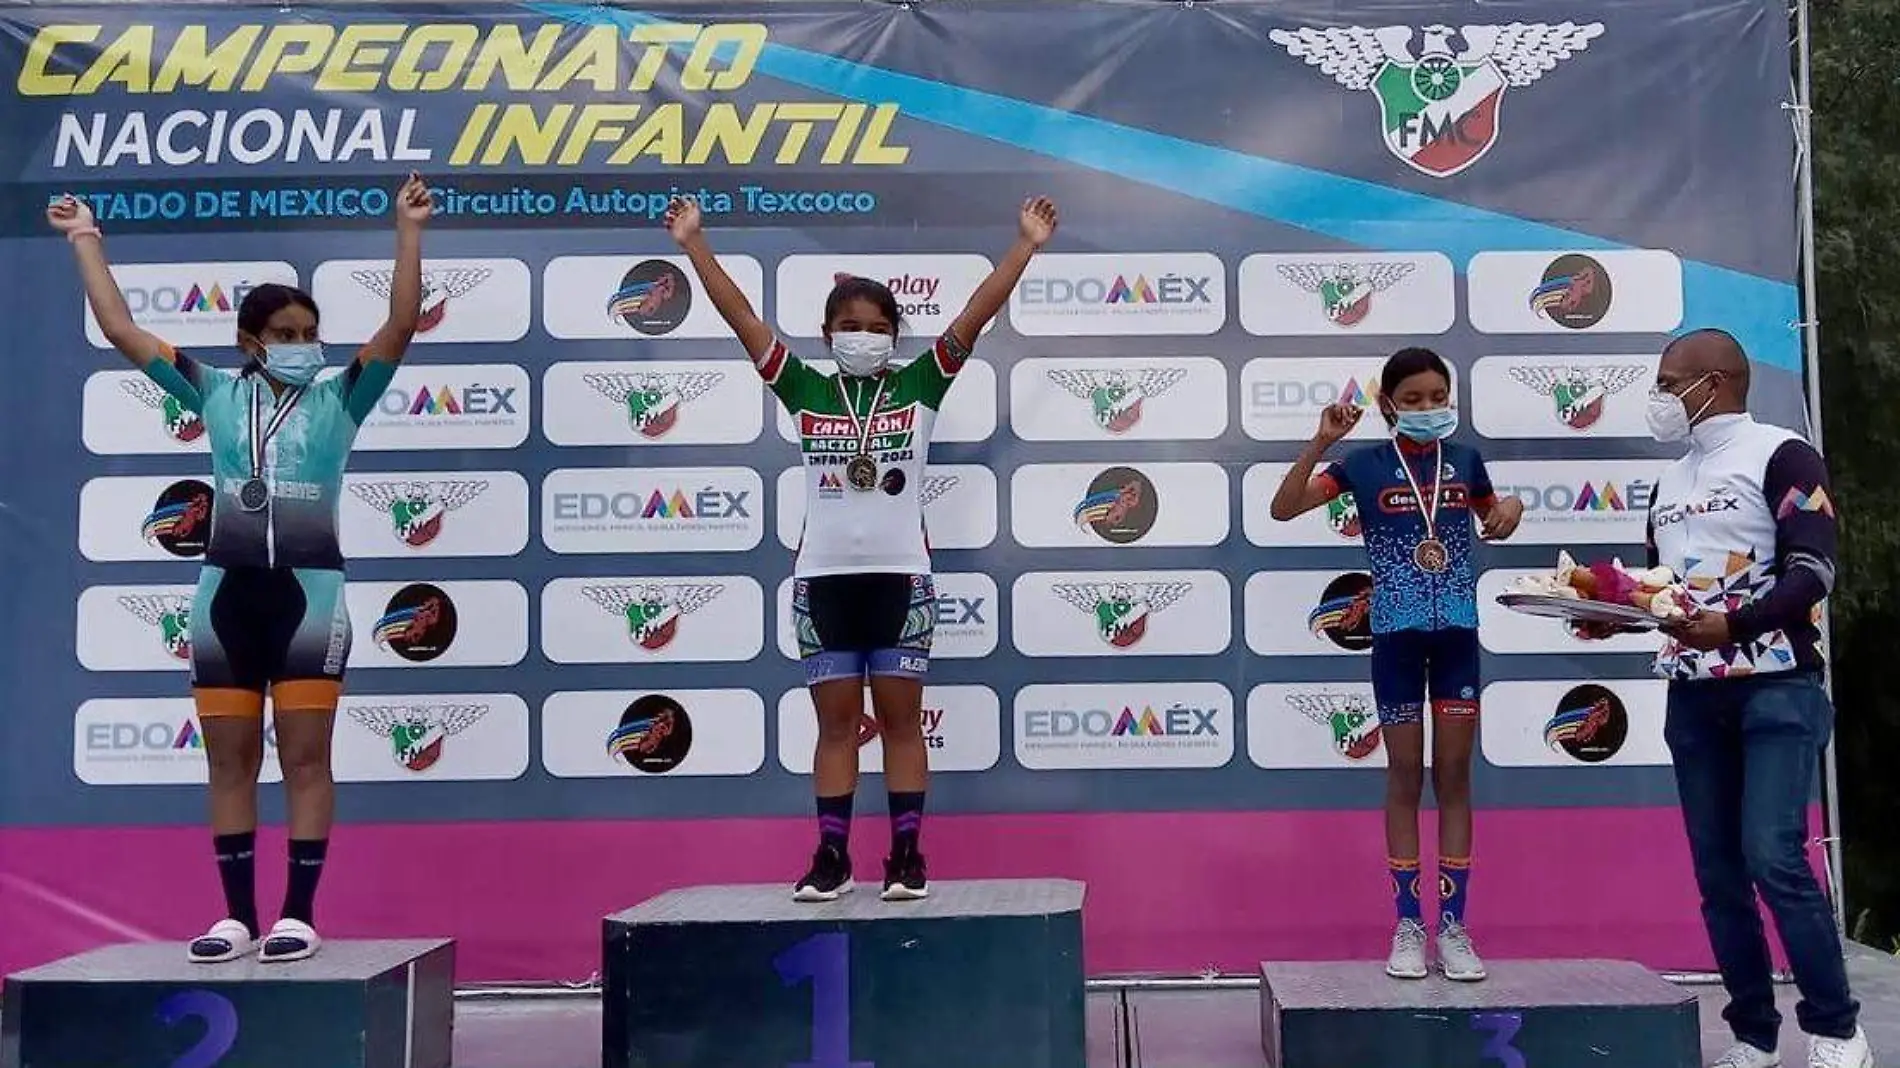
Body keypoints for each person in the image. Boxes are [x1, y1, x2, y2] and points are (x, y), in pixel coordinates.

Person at [48, 174, 433, 963]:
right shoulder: (214, 391)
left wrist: (408, 229)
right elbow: (119, 329)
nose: (304, 345)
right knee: (230, 762)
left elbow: (400, 323)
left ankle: (297, 914)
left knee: (305, 759)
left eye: (311, 332)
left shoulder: (340, 398)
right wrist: (85, 238)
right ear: (253, 340)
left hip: (310, 600)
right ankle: (235, 917)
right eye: (288, 333)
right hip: (223, 598)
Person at [663, 193, 1058, 902]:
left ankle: (906, 855)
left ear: (895, 335)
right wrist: (695, 245)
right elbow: (743, 319)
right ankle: (832, 857)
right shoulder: (804, 388)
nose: (864, 337)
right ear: (827, 334)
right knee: (837, 729)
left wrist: (1024, 245)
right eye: (850, 327)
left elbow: (976, 312)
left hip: (902, 581)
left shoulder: (922, 382)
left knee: (903, 724)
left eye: (878, 328)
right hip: (824, 584)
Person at [1577, 328, 1869, 1068]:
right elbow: (1663, 593)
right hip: (1693, 696)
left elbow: (1813, 570)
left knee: (1774, 856)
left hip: (1777, 687)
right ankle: (1753, 1036)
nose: (1659, 397)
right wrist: (1613, 617)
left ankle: (1836, 1031)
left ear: (1715, 382)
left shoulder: (1783, 455)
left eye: (1668, 383)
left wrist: (1733, 626)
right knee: (1718, 875)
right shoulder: (1668, 482)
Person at [1269, 347, 1523, 982]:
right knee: (1405, 774)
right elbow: (1283, 507)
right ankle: (1409, 925)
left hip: (1457, 635)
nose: (1428, 408)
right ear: (1388, 405)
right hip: (1395, 639)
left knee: (1455, 776)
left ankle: (1454, 927)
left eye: (1438, 396)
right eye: (1413, 400)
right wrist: (1320, 441)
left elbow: (1495, 517)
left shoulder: (1465, 461)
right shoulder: (1362, 465)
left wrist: (1511, 512)